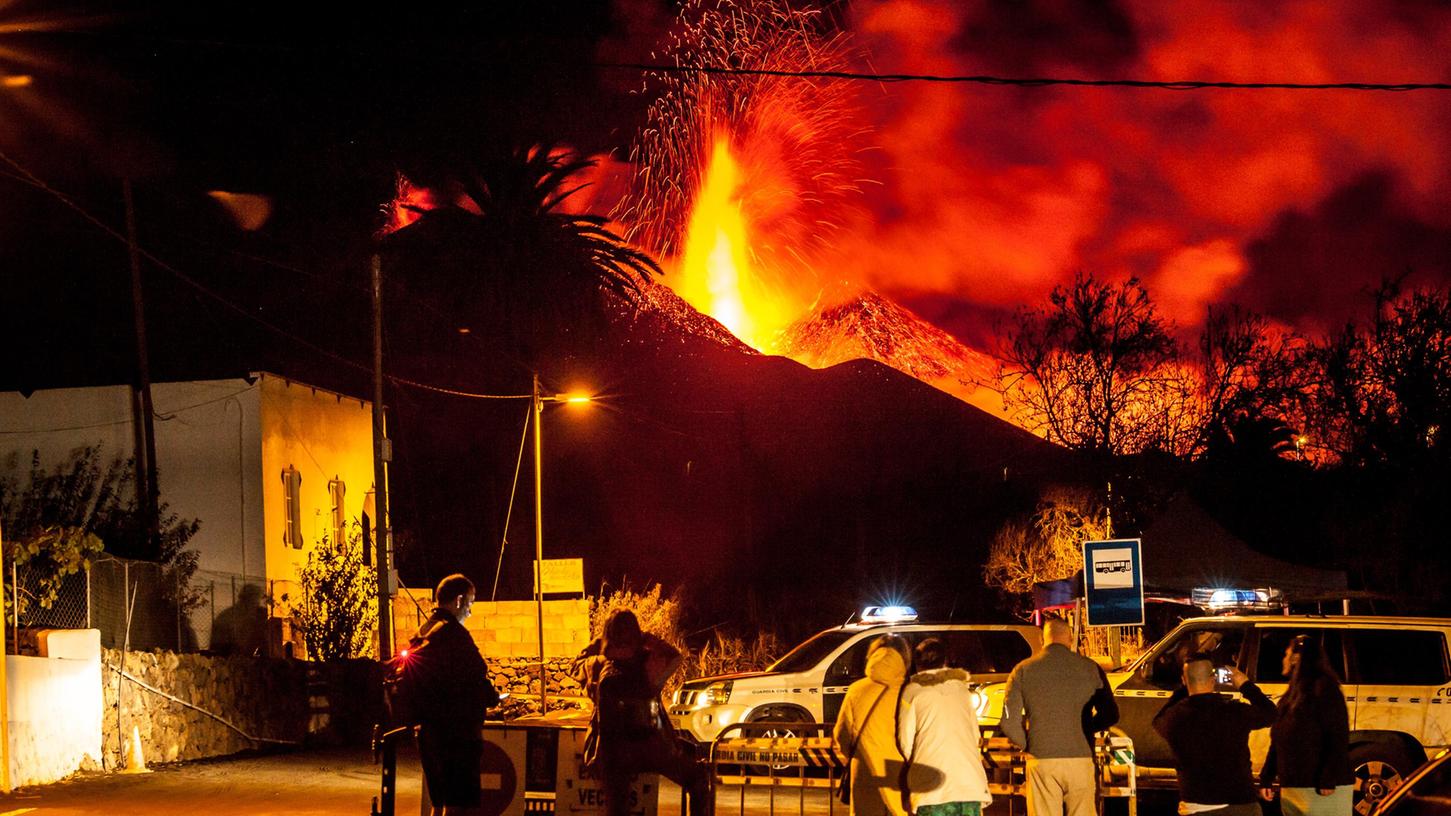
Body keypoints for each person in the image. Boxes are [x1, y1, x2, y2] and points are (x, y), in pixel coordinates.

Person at [575, 609, 710, 816]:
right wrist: (646, 638)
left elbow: (575, 664)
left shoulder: (597, 665)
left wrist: (599, 642)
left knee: (618, 809)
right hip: (652, 746)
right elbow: (674, 656)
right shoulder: (648, 664)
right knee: (697, 780)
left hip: (612, 752)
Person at [1000, 618, 1120, 816]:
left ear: (1042, 639)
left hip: (1042, 759)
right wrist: (1085, 728)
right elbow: (1111, 714)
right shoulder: (1090, 668)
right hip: (1081, 758)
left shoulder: (1022, 670)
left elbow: (1008, 722)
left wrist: (1029, 744)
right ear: (1071, 638)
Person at [409, 574, 500, 816]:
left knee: (438, 802)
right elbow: (477, 675)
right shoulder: (454, 635)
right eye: (470, 604)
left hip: (427, 732)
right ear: (459, 600)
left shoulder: (424, 631)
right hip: (457, 734)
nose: (470, 612)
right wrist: (493, 697)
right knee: (457, 804)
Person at [1152, 654, 1277, 816]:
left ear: (1184, 679)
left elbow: (1157, 720)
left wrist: (1187, 686)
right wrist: (1245, 685)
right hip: (1241, 803)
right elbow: (1270, 713)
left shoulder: (1174, 718)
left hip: (1197, 806)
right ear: (1213, 679)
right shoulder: (1234, 712)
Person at [897, 637, 992, 816]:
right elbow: (975, 736)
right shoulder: (962, 690)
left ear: (917, 664)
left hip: (931, 787)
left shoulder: (912, 692)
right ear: (945, 662)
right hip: (969, 784)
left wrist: (920, 761)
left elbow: (905, 741)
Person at [1259, 635, 1353, 816]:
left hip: (1319, 789)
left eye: (1286, 654)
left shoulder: (1325, 688)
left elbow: (1338, 736)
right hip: (1294, 787)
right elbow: (1278, 739)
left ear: (1296, 657)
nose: (1283, 659)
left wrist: (1328, 777)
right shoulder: (1292, 695)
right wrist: (1267, 777)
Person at [834, 634, 912, 816]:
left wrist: (856, 755)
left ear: (872, 655)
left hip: (864, 774)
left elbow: (842, 734)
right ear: (904, 658)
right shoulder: (910, 692)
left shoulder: (856, 690)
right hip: (899, 776)